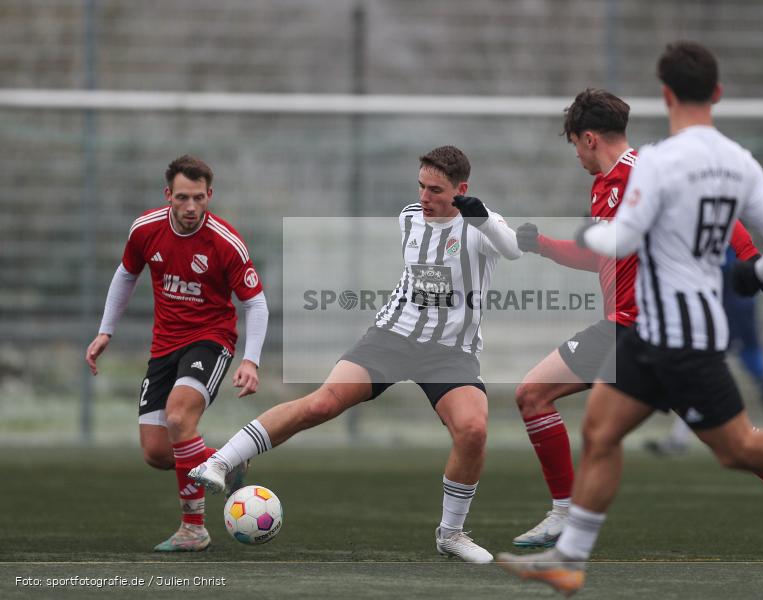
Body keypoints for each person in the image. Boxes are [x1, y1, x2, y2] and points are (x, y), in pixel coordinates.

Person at [497, 42, 763, 595]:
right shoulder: (733, 161)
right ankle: (571, 552)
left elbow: (623, 239)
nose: (576, 154)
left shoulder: (657, 163)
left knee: (734, 444)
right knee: (609, 431)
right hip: (647, 331)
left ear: (666, 95)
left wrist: (583, 235)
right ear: (718, 92)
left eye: (575, 145)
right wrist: (753, 271)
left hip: (657, 330)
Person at [189, 145, 522, 563]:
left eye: (435, 190)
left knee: (473, 431)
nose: (424, 197)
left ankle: (451, 534)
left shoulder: (482, 223)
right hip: (393, 336)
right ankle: (220, 462)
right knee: (322, 403)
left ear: (462, 189)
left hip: (450, 352)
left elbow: (511, 248)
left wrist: (484, 218)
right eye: (420, 185)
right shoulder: (409, 218)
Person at [85, 155, 269, 552]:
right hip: (164, 346)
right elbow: (125, 274)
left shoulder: (225, 242)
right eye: (182, 197)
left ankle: (193, 529)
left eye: (199, 198)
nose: (190, 207)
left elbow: (256, 303)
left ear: (209, 196)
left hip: (211, 340)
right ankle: (226, 459)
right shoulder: (146, 230)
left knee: (178, 417)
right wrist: (105, 331)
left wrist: (250, 360)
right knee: (156, 451)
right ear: (168, 194)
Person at [646, 246, 763, 455]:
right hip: (721, 315)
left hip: (735, 316)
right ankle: (679, 438)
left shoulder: (727, 242)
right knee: (700, 376)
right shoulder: (717, 238)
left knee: (757, 372)